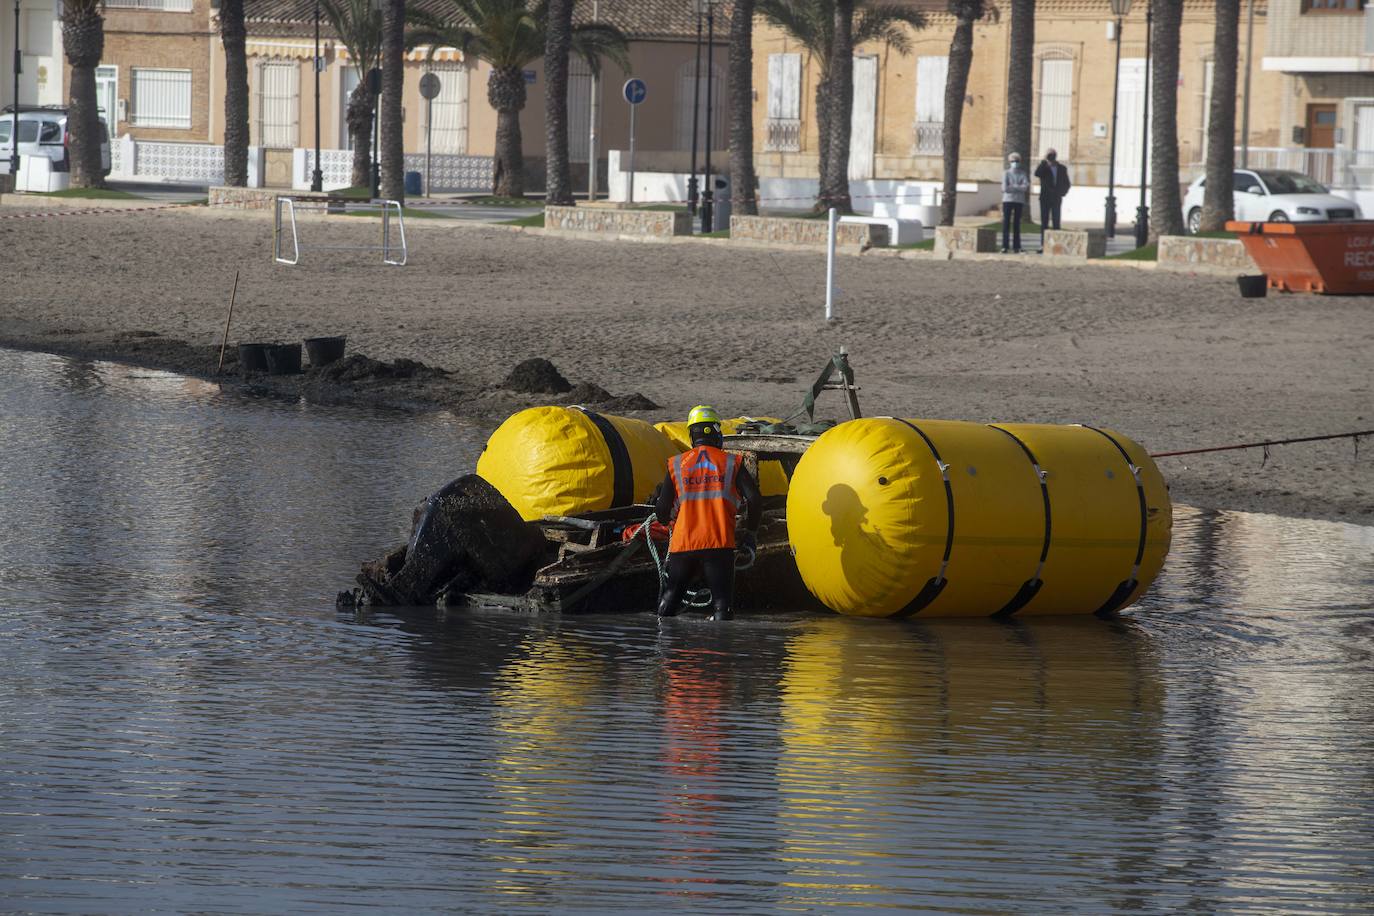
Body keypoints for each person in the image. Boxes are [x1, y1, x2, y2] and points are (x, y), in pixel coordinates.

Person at [654, 405, 762, 621]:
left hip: (683, 545)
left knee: (669, 604)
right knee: (722, 607)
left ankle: (665, 650)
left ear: (691, 434)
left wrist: (667, 521)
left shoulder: (676, 464)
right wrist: (750, 534)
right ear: (716, 432)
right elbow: (754, 499)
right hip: (719, 545)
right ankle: (721, 652)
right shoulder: (732, 462)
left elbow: (663, 510)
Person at [1034, 148, 1072, 244]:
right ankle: (1043, 245)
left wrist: (1062, 193)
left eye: (1052, 155)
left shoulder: (1062, 168)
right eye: (1049, 155)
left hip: (1056, 198)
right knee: (1044, 222)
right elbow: (1037, 174)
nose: (1051, 157)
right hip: (1045, 198)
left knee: (1056, 221)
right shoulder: (1044, 167)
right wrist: (1044, 161)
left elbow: (1067, 183)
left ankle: (1056, 244)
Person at [1001, 152, 1030, 254]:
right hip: (1007, 200)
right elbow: (1005, 188)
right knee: (1006, 224)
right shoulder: (1006, 173)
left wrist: (1013, 186)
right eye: (1013, 161)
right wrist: (1018, 186)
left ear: (1020, 161)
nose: (1015, 163)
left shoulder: (1023, 173)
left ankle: (1017, 247)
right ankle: (1004, 246)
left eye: (1017, 161)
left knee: (1017, 224)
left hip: (1019, 201)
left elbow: (1025, 187)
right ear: (1009, 162)